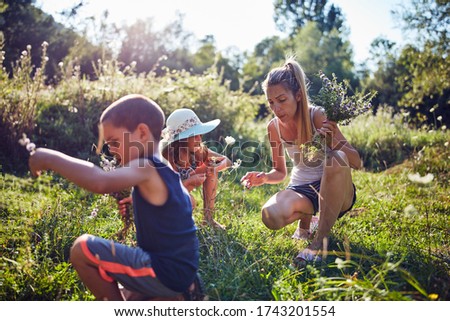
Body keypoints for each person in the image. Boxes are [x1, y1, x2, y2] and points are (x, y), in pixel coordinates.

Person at [29, 94, 203, 300]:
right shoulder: (165, 169)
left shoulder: (146, 166)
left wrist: (49, 158)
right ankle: (177, 296)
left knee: (82, 248)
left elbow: (100, 181)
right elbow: (186, 205)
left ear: (141, 132)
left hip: (165, 273)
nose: (111, 150)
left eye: (114, 142)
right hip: (182, 274)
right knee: (127, 292)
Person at [240, 58, 361, 265]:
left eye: (281, 100)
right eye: (271, 103)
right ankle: (309, 220)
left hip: (337, 190)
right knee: (270, 215)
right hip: (302, 189)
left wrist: (332, 141)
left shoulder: (317, 115)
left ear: (297, 95)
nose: (276, 108)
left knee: (336, 158)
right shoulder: (274, 127)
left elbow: (356, 162)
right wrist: (264, 178)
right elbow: (279, 172)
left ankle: (319, 242)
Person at [160, 108, 231, 230]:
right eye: (194, 135)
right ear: (181, 139)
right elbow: (166, 191)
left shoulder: (198, 149)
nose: (199, 139)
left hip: (182, 190)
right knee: (190, 201)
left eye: (200, 134)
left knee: (211, 167)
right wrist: (189, 182)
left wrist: (216, 167)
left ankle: (208, 219)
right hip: (163, 199)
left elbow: (227, 161)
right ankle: (173, 223)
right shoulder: (166, 156)